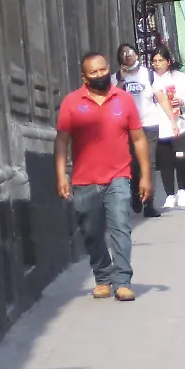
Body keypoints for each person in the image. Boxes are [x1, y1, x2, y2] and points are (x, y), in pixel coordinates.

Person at [54, 52, 150, 301]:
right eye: (93, 72)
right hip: (84, 180)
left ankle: (122, 281)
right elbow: (62, 141)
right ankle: (102, 276)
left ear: (109, 69)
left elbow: (138, 139)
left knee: (121, 227)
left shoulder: (124, 99)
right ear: (85, 77)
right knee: (92, 232)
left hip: (119, 176)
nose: (100, 75)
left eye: (103, 69)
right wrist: (61, 175)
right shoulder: (72, 102)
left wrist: (146, 176)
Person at [147, 47, 185, 208]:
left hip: (179, 125)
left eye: (161, 60)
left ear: (168, 62)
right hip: (158, 127)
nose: (157, 64)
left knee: (181, 157)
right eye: (154, 61)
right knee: (165, 162)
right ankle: (169, 194)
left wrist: (182, 101)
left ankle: (182, 189)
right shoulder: (149, 80)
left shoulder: (179, 78)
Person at [115, 44, 160, 218]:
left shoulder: (148, 75)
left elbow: (160, 96)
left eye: (130, 52)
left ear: (137, 55)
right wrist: (121, 78)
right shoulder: (115, 78)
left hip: (149, 124)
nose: (127, 55)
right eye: (123, 53)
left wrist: (172, 120)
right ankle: (136, 193)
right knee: (133, 165)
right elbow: (112, 98)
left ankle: (149, 203)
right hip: (127, 127)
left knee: (149, 163)